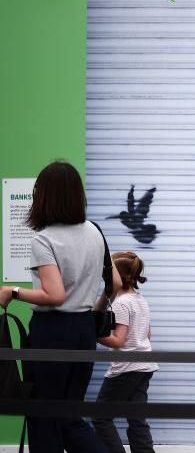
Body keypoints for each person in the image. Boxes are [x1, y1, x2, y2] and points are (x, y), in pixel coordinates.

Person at [0, 161, 115, 453]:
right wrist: (93, 311)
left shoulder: (44, 239)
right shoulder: (95, 231)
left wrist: (12, 292)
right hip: (84, 332)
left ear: (46, 196)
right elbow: (112, 281)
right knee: (69, 416)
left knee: (43, 414)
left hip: (52, 332)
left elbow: (55, 295)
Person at [94, 251, 159, 453]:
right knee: (137, 418)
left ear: (116, 277)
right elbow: (148, 335)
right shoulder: (139, 300)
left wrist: (93, 334)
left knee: (100, 417)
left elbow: (118, 341)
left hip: (126, 369)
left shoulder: (121, 304)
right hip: (145, 366)